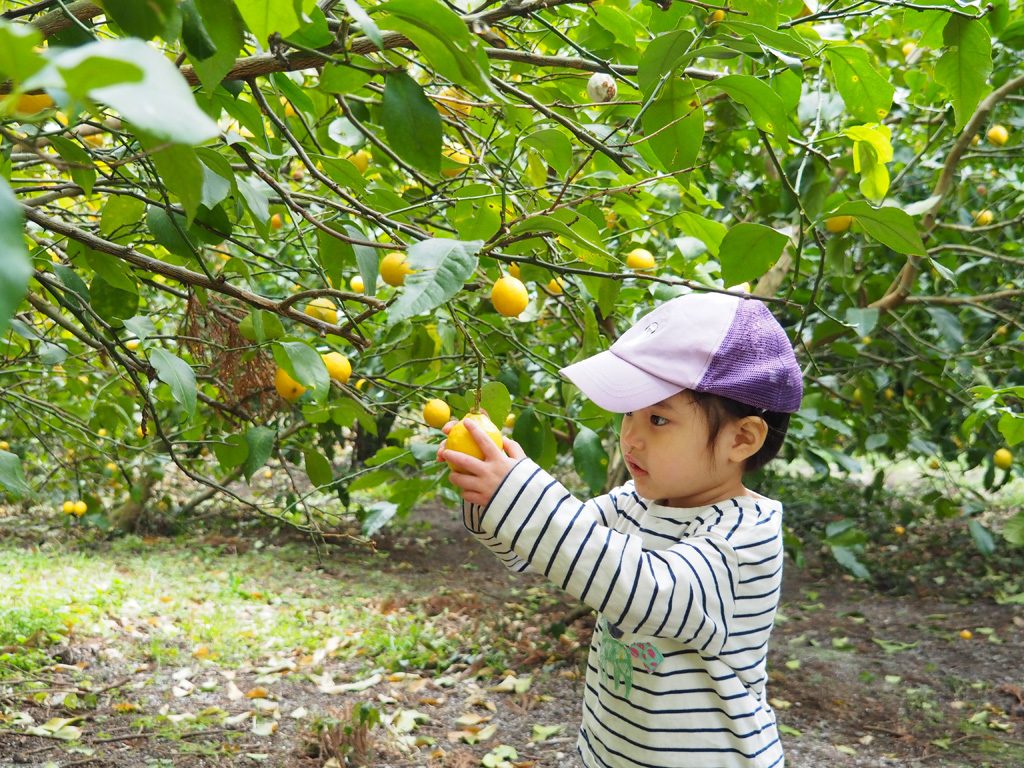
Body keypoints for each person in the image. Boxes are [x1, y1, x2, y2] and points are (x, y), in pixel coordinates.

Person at [439, 291, 802, 768]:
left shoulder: (744, 538)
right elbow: (537, 548)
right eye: (629, 413)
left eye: (658, 418)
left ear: (741, 438)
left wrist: (522, 495)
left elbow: (648, 589)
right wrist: (491, 494)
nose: (630, 436)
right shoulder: (631, 504)